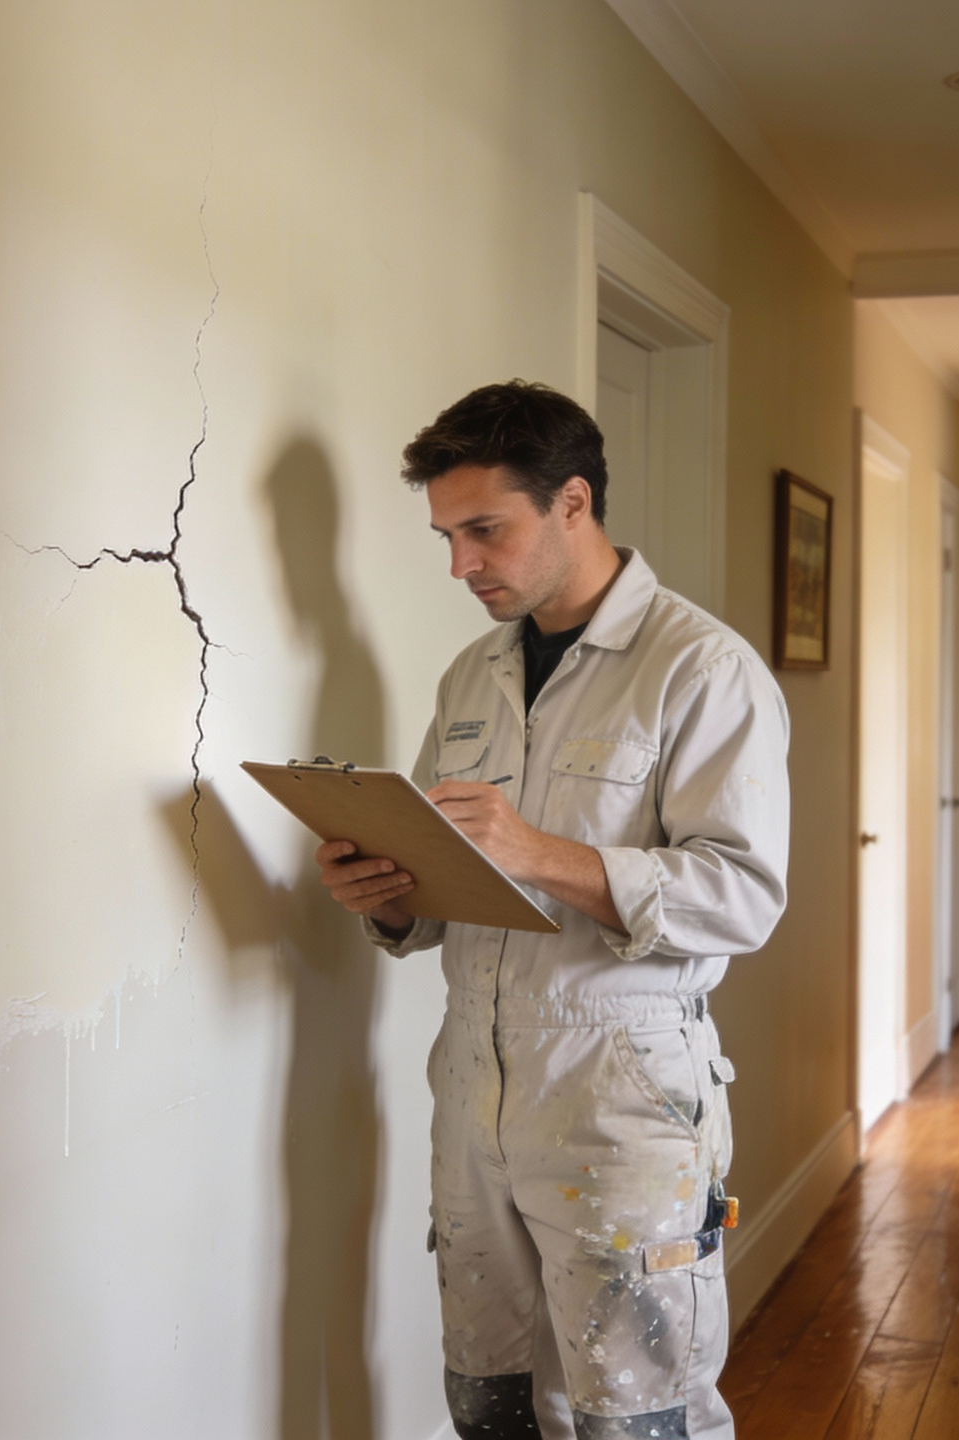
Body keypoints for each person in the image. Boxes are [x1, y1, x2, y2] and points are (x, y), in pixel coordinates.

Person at [316, 381, 790, 1439]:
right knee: (487, 1402)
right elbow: (455, 885)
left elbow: (746, 897)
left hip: (622, 1099)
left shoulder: (702, 671)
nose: (460, 565)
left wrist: (541, 853)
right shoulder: (471, 676)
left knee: (638, 1416)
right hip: (472, 1093)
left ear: (573, 502)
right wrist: (388, 900)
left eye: (484, 530)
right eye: (445, 535)